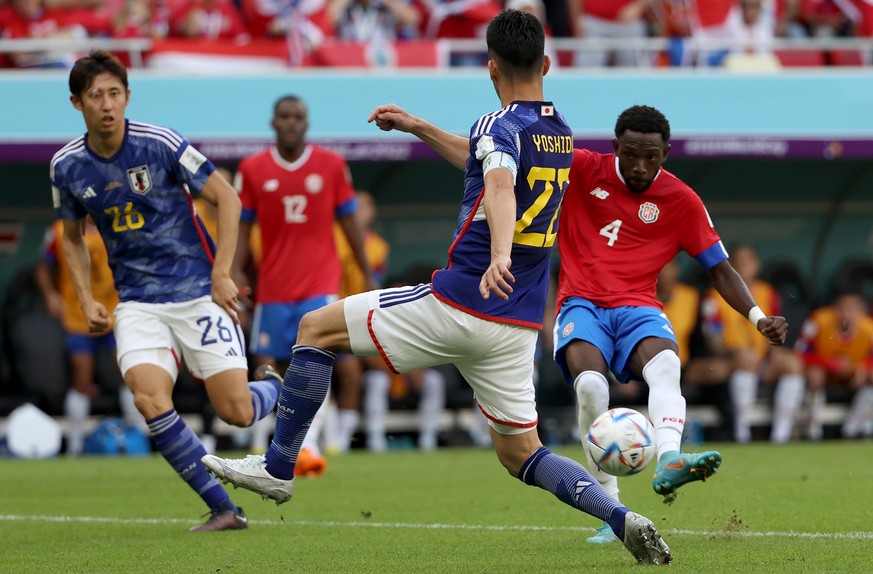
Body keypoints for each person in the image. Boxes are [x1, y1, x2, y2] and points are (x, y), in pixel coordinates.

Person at [204, 10, 671, 565]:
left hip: (461, 300)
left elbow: (498, 184)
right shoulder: (559, 133)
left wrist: (498, 252)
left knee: (315, 328)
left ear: (490, 68)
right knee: (523, 453)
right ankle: (622, 517)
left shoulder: (498, 125)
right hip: (515, 327)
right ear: (546, 64)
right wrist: (417, 126)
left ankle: (278, 469)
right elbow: (484, 161)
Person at [366, 103, 787, 544]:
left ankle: (669, 459)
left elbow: (718, 267)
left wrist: (758, 317)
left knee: (665, 366)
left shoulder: (682, 200)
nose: (641, 166)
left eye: (652, 157)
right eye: (631, 154)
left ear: (666, 152)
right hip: (580, 304)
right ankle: (612, 506)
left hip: (638, 306)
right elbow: (486, 158)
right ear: (614, 147)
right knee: (590, 387)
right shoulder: (581, 167)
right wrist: (416, 127)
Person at [51, 50, 283, 532]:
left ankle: (277, 388)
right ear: (78, 104)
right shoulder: (67, 166)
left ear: (128, 96)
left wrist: (222, 273)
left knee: (237, 412)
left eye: (115, 93)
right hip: (137, 303)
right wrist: (85, 296)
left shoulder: (161, 143)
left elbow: (228, 196)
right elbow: (71, 237)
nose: (107, 104)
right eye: (96, 96)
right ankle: (224, 507)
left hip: (198, 291)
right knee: (149, 399)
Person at [232, 94, 374, 473]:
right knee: (264, 363)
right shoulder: (253, 168)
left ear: (306, 123)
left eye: (298, 117)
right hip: (273, 286)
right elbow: (242, 225)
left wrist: (365, 267)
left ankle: (308, 446)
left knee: (316, 358)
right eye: (284, 116)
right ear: (273, 122)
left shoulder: (330, 165)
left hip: (319, 282)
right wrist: (235, 270)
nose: (291, 122)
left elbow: (349, 222)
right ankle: (262, 439)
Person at [34, 217, 145, 456]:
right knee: (82, 374)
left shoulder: (118, 225)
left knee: (128, 371)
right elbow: (43, 267)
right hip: (78, 316)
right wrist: (50, 295)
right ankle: (75, 445)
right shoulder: (61, 229)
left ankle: (139, 439)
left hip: (114, 312)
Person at [700, 244, 804, 444]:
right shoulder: (713, 297)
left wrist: (774, 350)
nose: (744, 266)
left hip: (763, 359)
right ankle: (742, 433)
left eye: (748, 261)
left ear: (757, 265)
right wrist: (734, 352)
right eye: (738, 262)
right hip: (732, 360)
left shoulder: (768, 293)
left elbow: (778, 329)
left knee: (792, 364)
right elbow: (712, 339)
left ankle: (781, 435)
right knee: (744, 360)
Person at [793, 289, 873, 440]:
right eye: (842, 308)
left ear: (860, 311)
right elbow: (799, 353)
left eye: (852, 309)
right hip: (823, 372)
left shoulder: (869, 328)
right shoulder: (818, 320)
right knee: (815, 374)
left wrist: (864, 367)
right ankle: (811, 429)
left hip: (853, 374)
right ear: (835, 308)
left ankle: (853, 429)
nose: (846, 313)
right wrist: (828, 363)